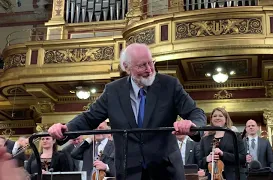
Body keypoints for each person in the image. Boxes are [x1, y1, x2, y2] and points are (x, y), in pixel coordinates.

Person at [48, 43, 207, 180]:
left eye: (151, 62)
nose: (149, 69)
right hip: (129, 172)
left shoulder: (170, 85)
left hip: (166, 171)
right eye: (142, 65)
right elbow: (90, 117)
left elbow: (195, 112)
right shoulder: (113, 91)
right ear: (126, 67)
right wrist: (65, 129)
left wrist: (193, 125)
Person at [198, 107, 246, 180]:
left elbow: (242, 158)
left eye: (220, 116)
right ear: (211, 120)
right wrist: (207, 159)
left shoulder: (235, 136)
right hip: (212, 177)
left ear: (226, 119)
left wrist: (223, 154)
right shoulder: (205, 140)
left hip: (233, 177)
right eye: (215, 116)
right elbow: (200, 162)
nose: (217, 118)